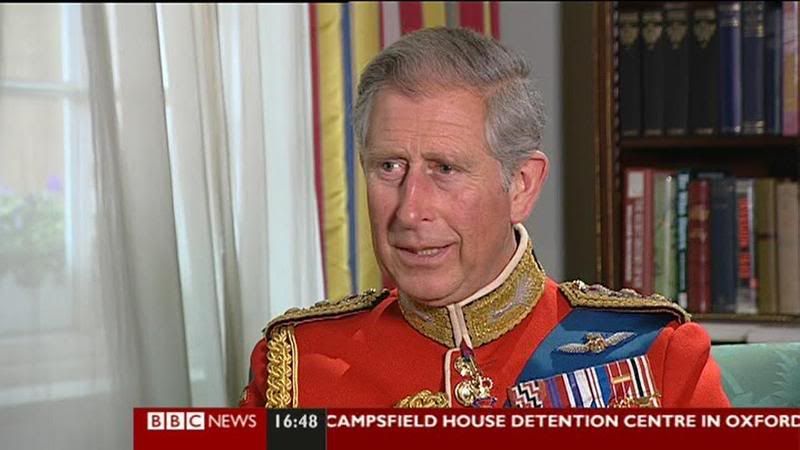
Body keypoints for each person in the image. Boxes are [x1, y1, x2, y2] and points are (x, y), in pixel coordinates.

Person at [239, 27, 730, 409]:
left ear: (521, 185)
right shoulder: (297, 368)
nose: (410, 210)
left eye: (445, 169)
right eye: (389, 167)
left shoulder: (655, 355)